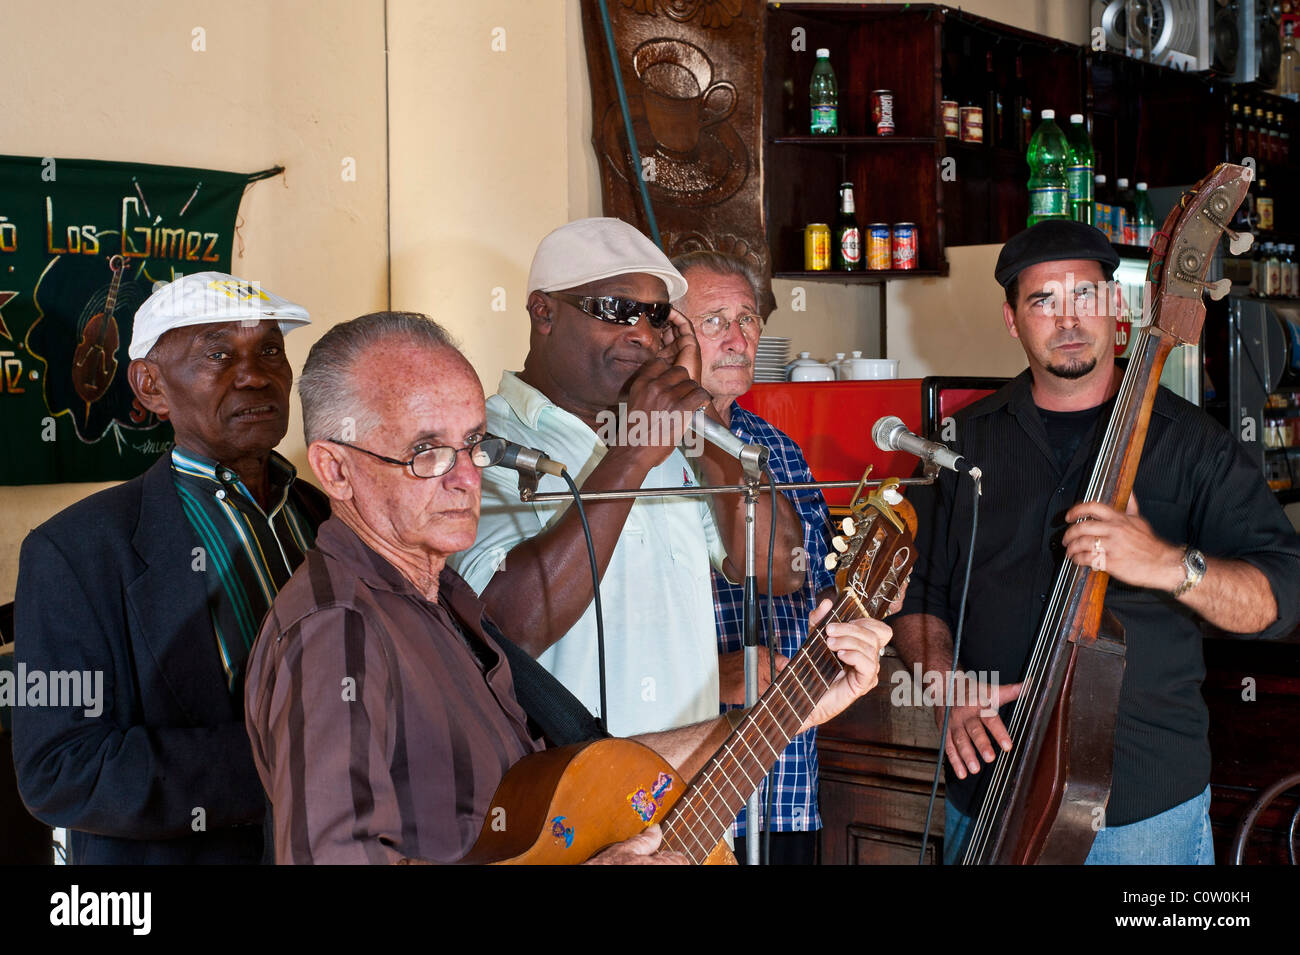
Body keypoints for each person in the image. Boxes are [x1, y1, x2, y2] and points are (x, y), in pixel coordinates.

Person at [243, 311, 894, 864]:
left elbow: (571, 785)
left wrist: (799, 703)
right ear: (334, 468)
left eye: (473, 442)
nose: (467, 477)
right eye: (426, 452)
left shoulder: (443, 600)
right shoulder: (338, 630)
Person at [892, 220, 1300, 865]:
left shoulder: (1193, 443)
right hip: (992, 790)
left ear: (1117, 309)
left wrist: (1169, 566)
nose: (1068, 319)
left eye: (1086, 295)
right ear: (1011, 320)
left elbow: (1279, 600)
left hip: (1142, 810)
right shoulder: (960, 441)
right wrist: (942, 683)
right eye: (1043, 301)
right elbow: (917, 589)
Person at [13, 272, 327, 864]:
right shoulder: (75, 551)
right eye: (218, 353)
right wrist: (296, 766)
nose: (256, 374)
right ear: (150, 387)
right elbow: (61, 769)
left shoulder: (329, 518)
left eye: (270, 351)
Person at [448, 218, 804, 737]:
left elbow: (779, 568)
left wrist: (695, 417)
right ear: (543, 313)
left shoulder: (674, 438)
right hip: (566, 797)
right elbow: (505, 629)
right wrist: (632, 456)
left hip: (693, 795)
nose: (641, 333)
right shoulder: (480, 442)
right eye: (615, 309)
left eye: (656, 316)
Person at [670, 250, 836, 865]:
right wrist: (711, 677)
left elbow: (814, 585)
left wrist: (860, 601)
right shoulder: (632, 448)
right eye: (713, 320)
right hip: (681, 792)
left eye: (748, 319)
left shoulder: (778, 449)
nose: (739, 338)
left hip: (787, 785)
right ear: (667, 333)